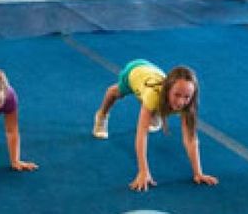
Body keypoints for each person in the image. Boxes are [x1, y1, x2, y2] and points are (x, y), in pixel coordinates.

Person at [92, 59, 218, 191]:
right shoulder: (153, 96)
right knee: (116, 93)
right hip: (135, 72)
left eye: (187, 96)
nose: (181, 102)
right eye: (177, 95)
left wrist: (198, 173)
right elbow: (141, 134)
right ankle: (102, 115)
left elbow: (190, 139)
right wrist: (143, 170)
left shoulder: (188, 104)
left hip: (153, 73)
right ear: (168, 89)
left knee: (155, 104)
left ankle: (155, 113)